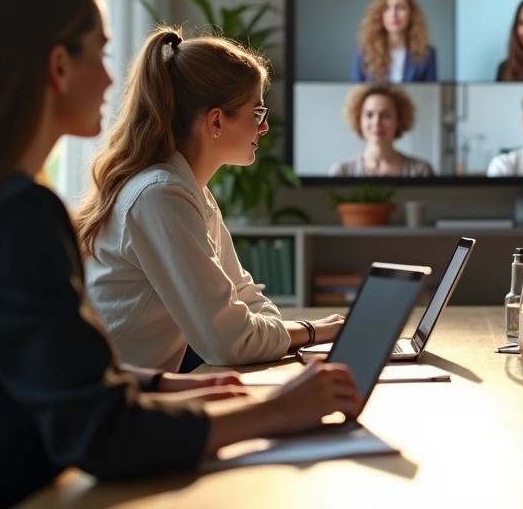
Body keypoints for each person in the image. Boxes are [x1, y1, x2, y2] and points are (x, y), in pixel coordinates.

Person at [0, 0, 362, 507]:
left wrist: (156, 384)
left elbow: (27, 371)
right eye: (101, 53)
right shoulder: (15, 215)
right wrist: (274, 412)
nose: (112, 77)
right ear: (58, 67)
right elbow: (101, 434)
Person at [74, 28, 347, 373]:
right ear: (217, 120)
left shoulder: (189, 190)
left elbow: (245, 297)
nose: (263, 128)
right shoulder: (160, 197)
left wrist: (274, 332)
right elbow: (230, 342)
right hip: (115, 409)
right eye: (258, 113)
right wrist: (314, 331)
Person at [330, 83, 434, 177]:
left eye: (386, 116)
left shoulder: (421, 171)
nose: (376, 122)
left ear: (399, 121)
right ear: (359, 120)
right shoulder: (341, 171)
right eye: (369, 115)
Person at [351, 0, 437, 82]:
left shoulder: (427, 54)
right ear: (379, 15)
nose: (393, 14)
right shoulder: (363, 53)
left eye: (400, 7)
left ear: (411, 14)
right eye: (386, 8)